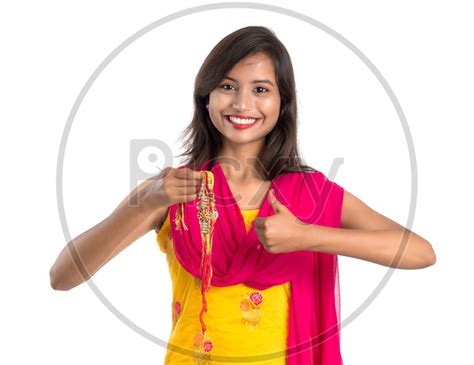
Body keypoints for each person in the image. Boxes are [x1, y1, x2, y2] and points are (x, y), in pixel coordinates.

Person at [50, 26, 436, 364]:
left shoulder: (313, 194)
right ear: (206, 98)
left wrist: (307, 236)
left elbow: (421, 252)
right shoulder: (170, 190)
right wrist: (149, 201)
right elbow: (63, 276)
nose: (242, 103)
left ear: (282, 103)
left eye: (261, 90)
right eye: (228, 86)